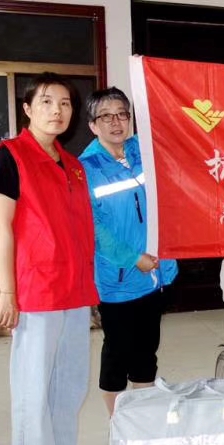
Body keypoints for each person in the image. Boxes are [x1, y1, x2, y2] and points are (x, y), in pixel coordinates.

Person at [0, 72, 98, 445]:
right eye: (47, 102)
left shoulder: (73, 165)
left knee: (70, 380)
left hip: (73, 287)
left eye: (65, 103)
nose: (57, 111)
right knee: (33, 382)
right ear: (28, 109)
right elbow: (0, 227)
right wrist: (8, 291)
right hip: (37, 287)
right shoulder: (11, 156)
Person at [79, 87, 178, 416]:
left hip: (156, 272)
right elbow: (95, 229)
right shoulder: (86, 168)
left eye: (122, 114)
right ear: (93, 125)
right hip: (119, 278)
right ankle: (118, 424)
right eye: (106, 116)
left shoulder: (144, 150)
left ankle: (143, 419)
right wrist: (133, 258)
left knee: (147, 350)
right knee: (117, 353)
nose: (116, 122)